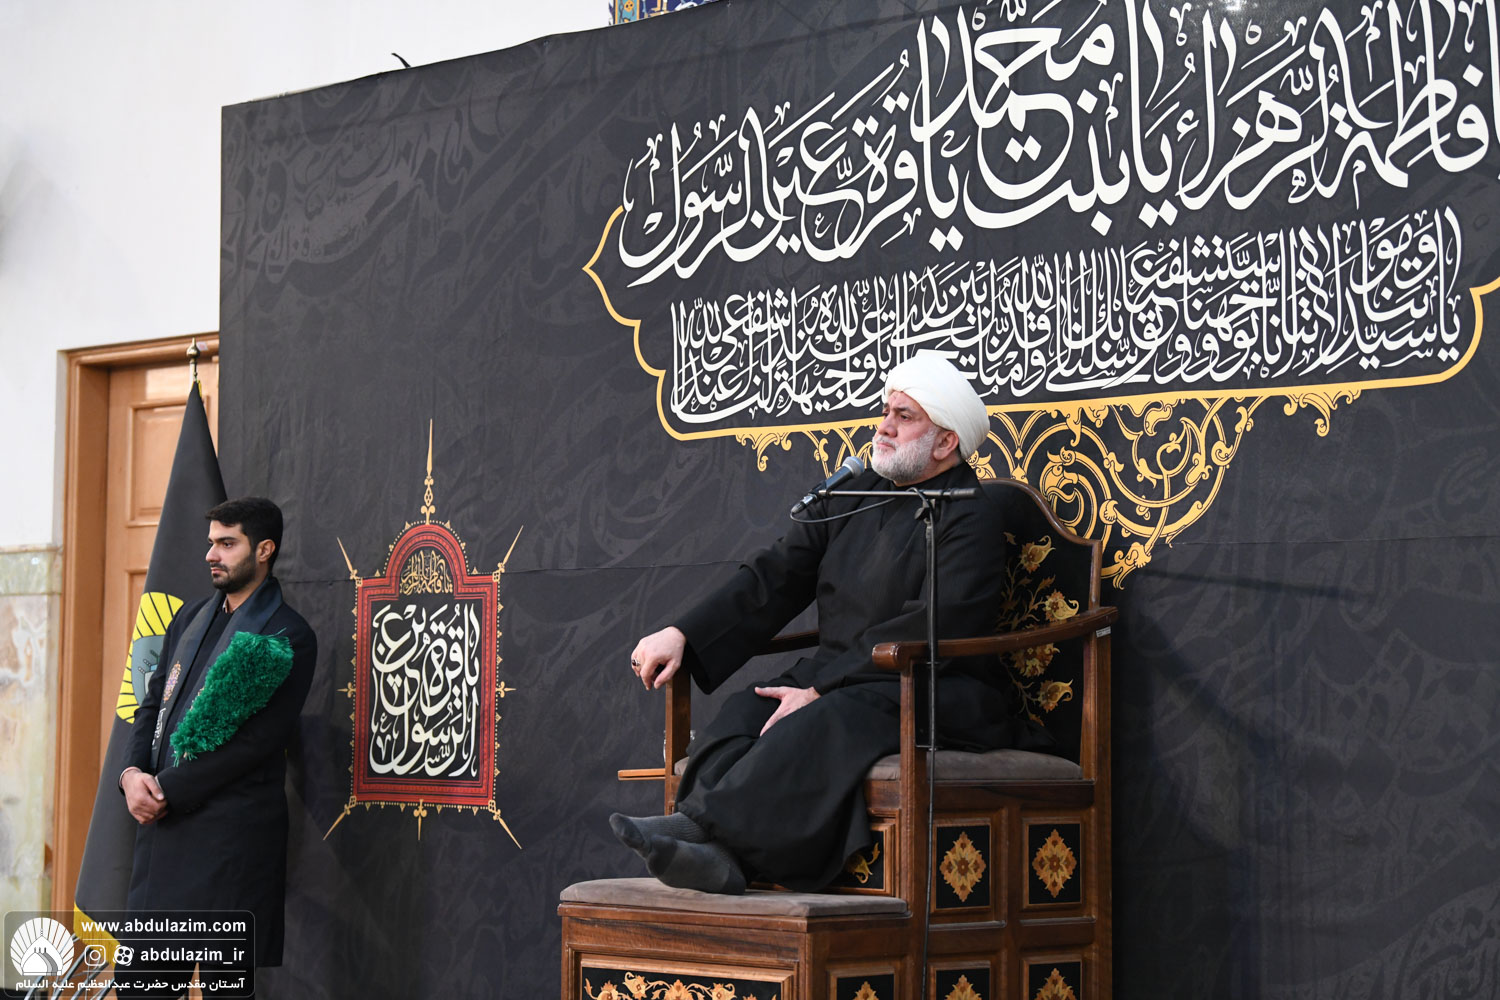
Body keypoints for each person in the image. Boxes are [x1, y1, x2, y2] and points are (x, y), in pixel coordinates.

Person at [611, 352, 1041, 894]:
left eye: (904, 416)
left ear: (945, 443)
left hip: (928, 685)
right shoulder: (850, 496)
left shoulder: (970, 515)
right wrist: (684, 633)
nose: (884, 427)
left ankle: (696, 834)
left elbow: (938, 621)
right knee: (748, 710)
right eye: (886, 411)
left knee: (821, 719)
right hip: (842, 675)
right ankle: (718, 854)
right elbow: (774, 576)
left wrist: (821, 689)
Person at [118, 497, 317, 996]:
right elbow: (150, 705)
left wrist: (164, 790)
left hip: (229, 849)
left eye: (227, 544)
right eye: (211, 543)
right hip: (162, 844)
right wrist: (131, 775)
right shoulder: (188, 618)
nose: (212, 554)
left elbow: (255, 744)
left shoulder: (286, 634)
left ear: (264, 550)